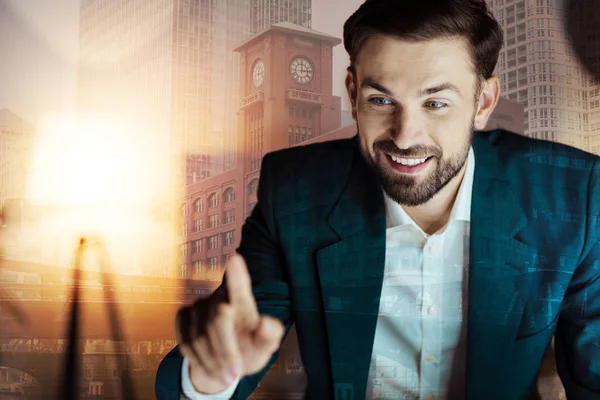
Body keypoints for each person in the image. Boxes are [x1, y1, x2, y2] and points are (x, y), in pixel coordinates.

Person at [156, 0, 600, 398]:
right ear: (352, 94)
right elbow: (225, 343)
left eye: (436, 104)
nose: (404, 137)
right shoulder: (295, 191)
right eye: (381, 99)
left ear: (483, 102)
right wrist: (213, 377)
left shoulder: (571, 197)